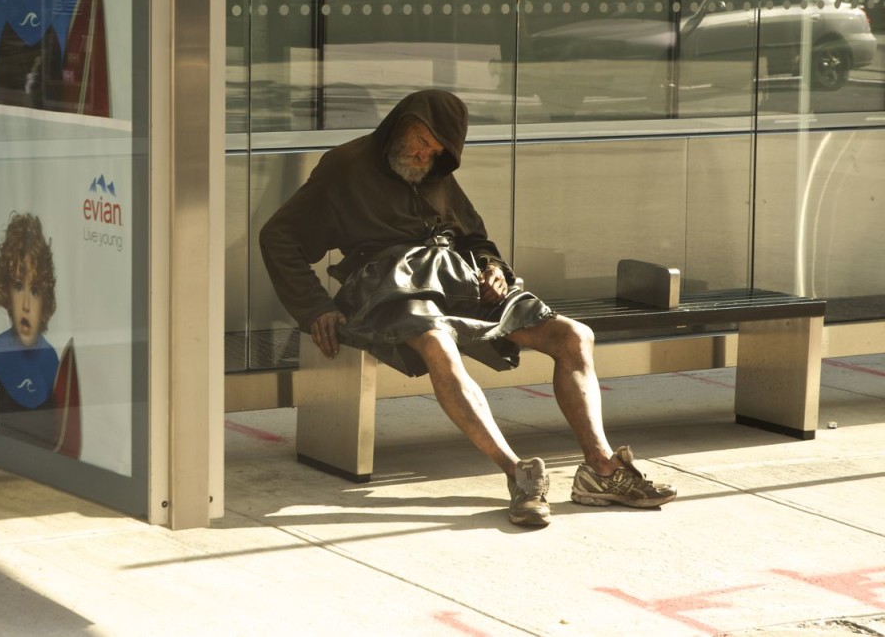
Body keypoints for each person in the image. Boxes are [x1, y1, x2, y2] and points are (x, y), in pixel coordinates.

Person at [260, 89, 676, 527]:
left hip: (457, 277)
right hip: (390, 284)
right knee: (439, 344)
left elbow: (475, 238)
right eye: (421, 141)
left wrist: (494, 267)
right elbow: (278, 236)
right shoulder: (345, 165)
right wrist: (314, 308)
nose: (424, 155)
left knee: (574, 336)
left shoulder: (435, 171)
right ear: (401, 124)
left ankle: (601, 468)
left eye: (436, 150)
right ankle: (518, 473)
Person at [0, 212, 61, 449]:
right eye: (19, 286)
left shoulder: (49, 357)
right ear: (5, 292)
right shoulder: (2, 349)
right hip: (5, 458)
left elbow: (59, 427)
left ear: (46, 301)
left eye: (36, 290)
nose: (27, 305)